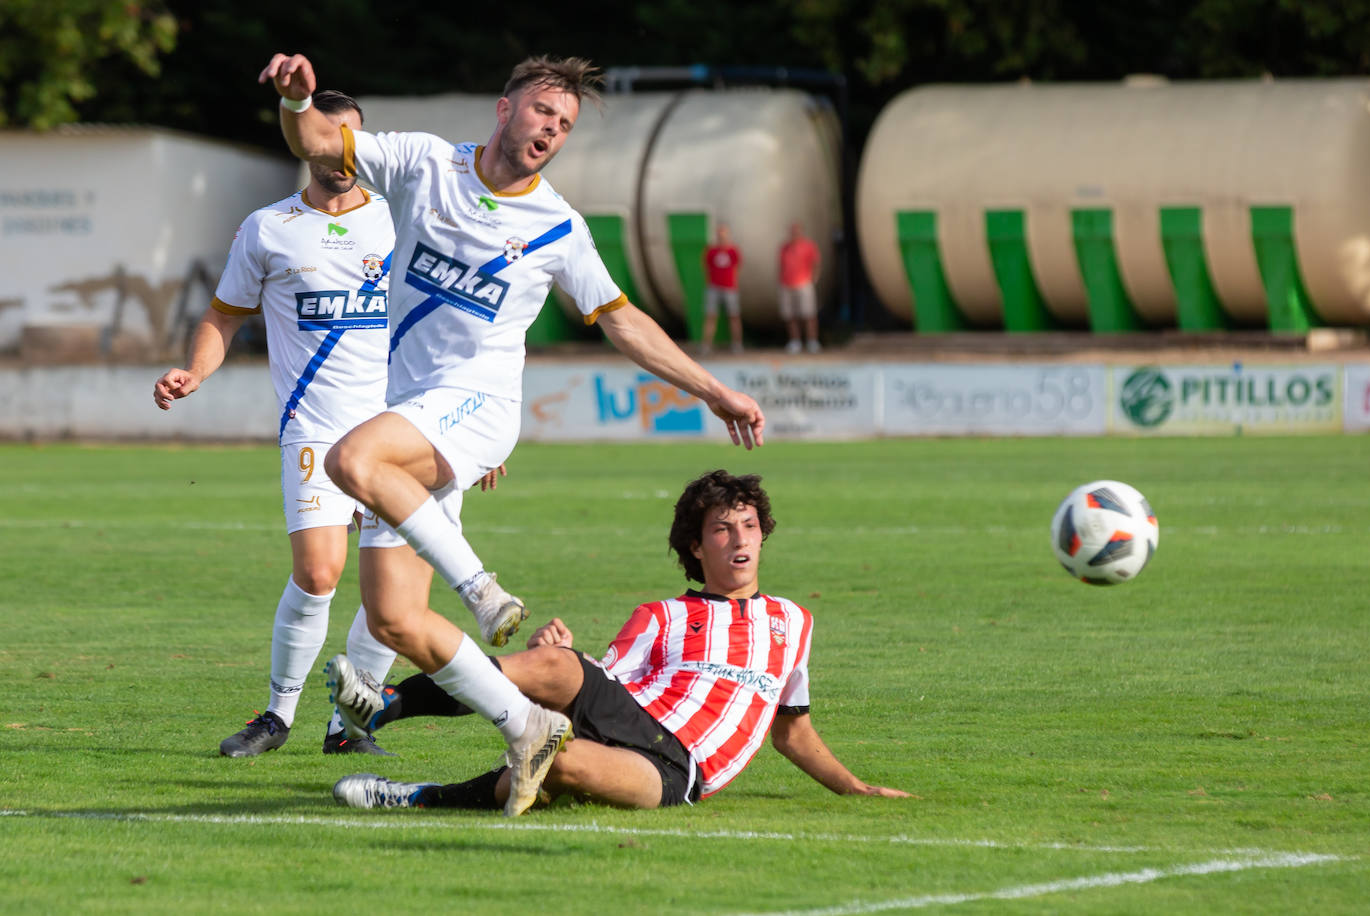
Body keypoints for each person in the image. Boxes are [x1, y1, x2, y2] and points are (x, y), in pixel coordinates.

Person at [258, 52, 767, 815]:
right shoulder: (427, 164)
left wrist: (713, 388)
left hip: (479, 410)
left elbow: (622, 320)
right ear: (505, 109)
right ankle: (525, 725)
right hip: (420, 418)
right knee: (394, 619)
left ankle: (483, 589)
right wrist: (298, 101)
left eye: (563, 125)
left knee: (351, 457)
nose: (551, 131)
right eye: (542, 113)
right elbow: (318, 146)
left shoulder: (558, 225)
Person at [327, 470, 911, 810]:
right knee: (555, 668)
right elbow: (599, 678)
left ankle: (416, 797)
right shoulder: (660, 615)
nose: (740, 539)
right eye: (722, 528)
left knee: (558, 763)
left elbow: (792, 729)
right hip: (635, 713)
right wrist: (553, 648)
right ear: (696, 547)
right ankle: (382, 706)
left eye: (750, 525)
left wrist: (854, 787)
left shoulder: (794, 621)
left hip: (681, 773)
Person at [152, 90, 400, 757]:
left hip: (394, 432)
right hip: (314, 428)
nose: (342, 153)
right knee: (319, 573)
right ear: (307, 142)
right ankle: (278, 715)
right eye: (330, 137)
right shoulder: (269, 228)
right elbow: (224, 315)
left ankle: (348, 727)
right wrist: (196, 372)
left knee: (390, 587)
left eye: (353, 140)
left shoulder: (399, 221)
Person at [778, 221, 821, 354]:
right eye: (792, 231)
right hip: (787, 284)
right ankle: (795, 342)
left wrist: (813, 279)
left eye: (797, 231)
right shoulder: (784, 247)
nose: (794, 233)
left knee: (809, 315)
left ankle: (812, 341)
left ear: (801, 232)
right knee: (790, 316)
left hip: (804, 284)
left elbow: (816, 263)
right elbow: (781, 266)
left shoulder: (809, 246)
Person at [701, 222, 743, 354]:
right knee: (711, 316)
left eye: (724, 235)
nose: (721, 238)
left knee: (734, 316)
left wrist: (731, 282)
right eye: (719, 235)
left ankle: (737, 344)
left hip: (730, 288)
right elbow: (706, 266)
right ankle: (706, 345)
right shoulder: (711, 251)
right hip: (714, 288)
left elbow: (737, 267)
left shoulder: (733, 251)